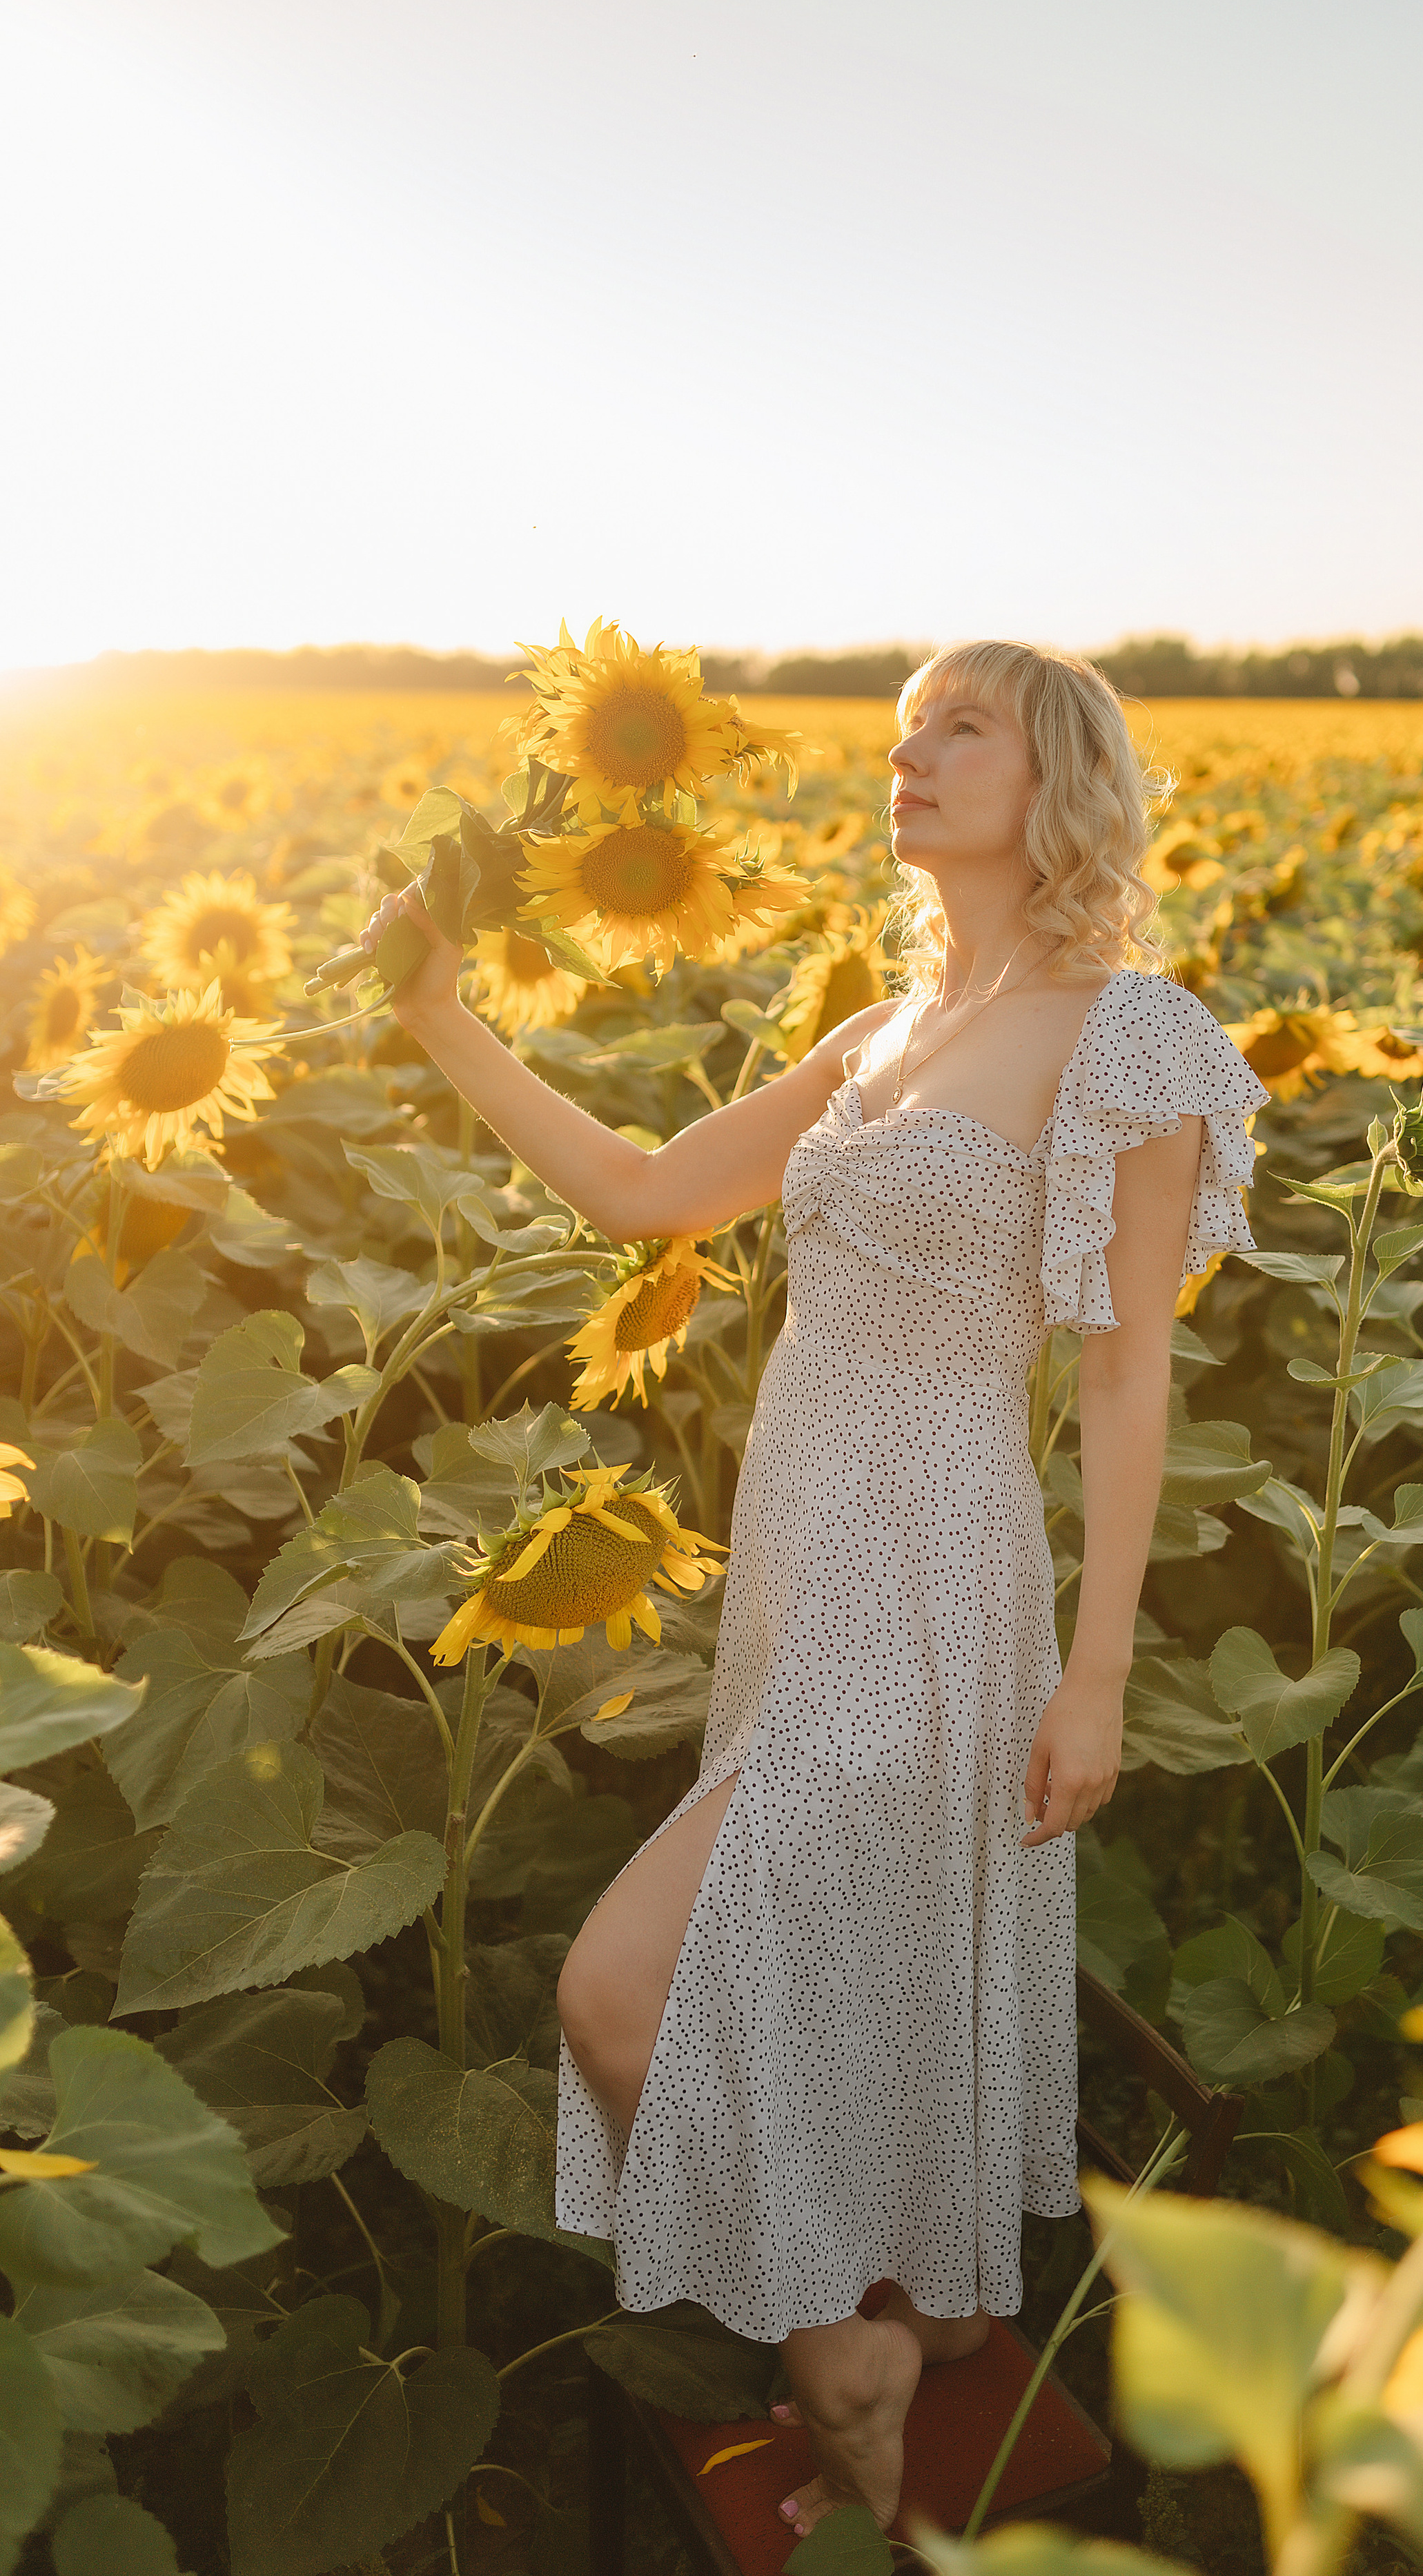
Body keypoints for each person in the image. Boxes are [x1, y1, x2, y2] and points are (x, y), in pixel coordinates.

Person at [360, 638, 1268, 2540]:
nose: (910, 752)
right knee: (850, 1953)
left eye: (961, 726)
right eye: (903, 724)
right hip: (796, 1569)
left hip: (935, 1580)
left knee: (622, 1996)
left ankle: (848, 2370)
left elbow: (1123, 1376)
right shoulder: (878, 1033)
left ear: (1063, 779)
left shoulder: (1133, 1039)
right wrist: (442, 1018)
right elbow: (641, 1197)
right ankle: (929, 2320)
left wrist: (1099, 1677)